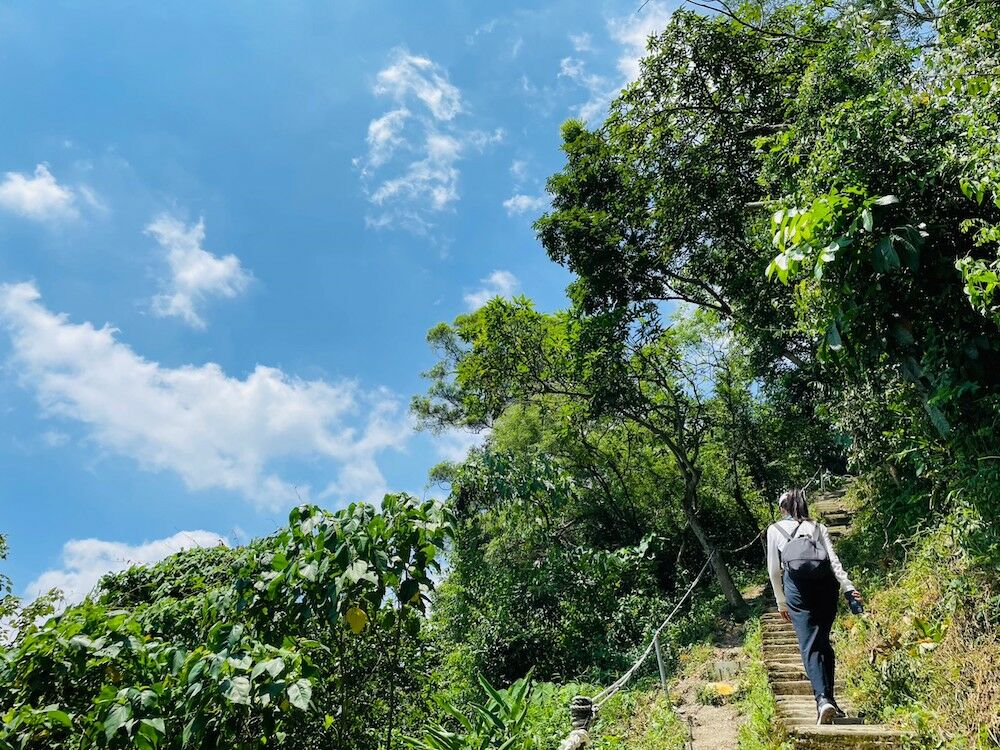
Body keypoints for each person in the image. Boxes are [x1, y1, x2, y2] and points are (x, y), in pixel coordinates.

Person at [766, 488, 863, 725]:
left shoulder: (775, 529)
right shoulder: (817, 527)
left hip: (797, 590)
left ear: (783, 509)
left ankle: (822, 700)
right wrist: (848, 588)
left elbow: (774, 570)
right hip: (825, 587)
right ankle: (830, 701)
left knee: (809, 644)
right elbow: (833, 561)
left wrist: (781, 602)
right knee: (823, 642)